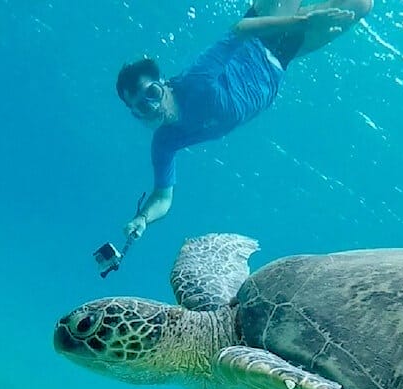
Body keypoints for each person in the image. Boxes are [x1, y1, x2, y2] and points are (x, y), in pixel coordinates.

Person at [114, 1, 373, 255]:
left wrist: (303, 22)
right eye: (141, 107)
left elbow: (240, 29)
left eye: (152, 93)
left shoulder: (194, 81)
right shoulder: (165, 141)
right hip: (280, 61)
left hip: (262, 39)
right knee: (362, 5)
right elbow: (163, 197)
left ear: (163, 83)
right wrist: (143, 219)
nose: (152, 107)